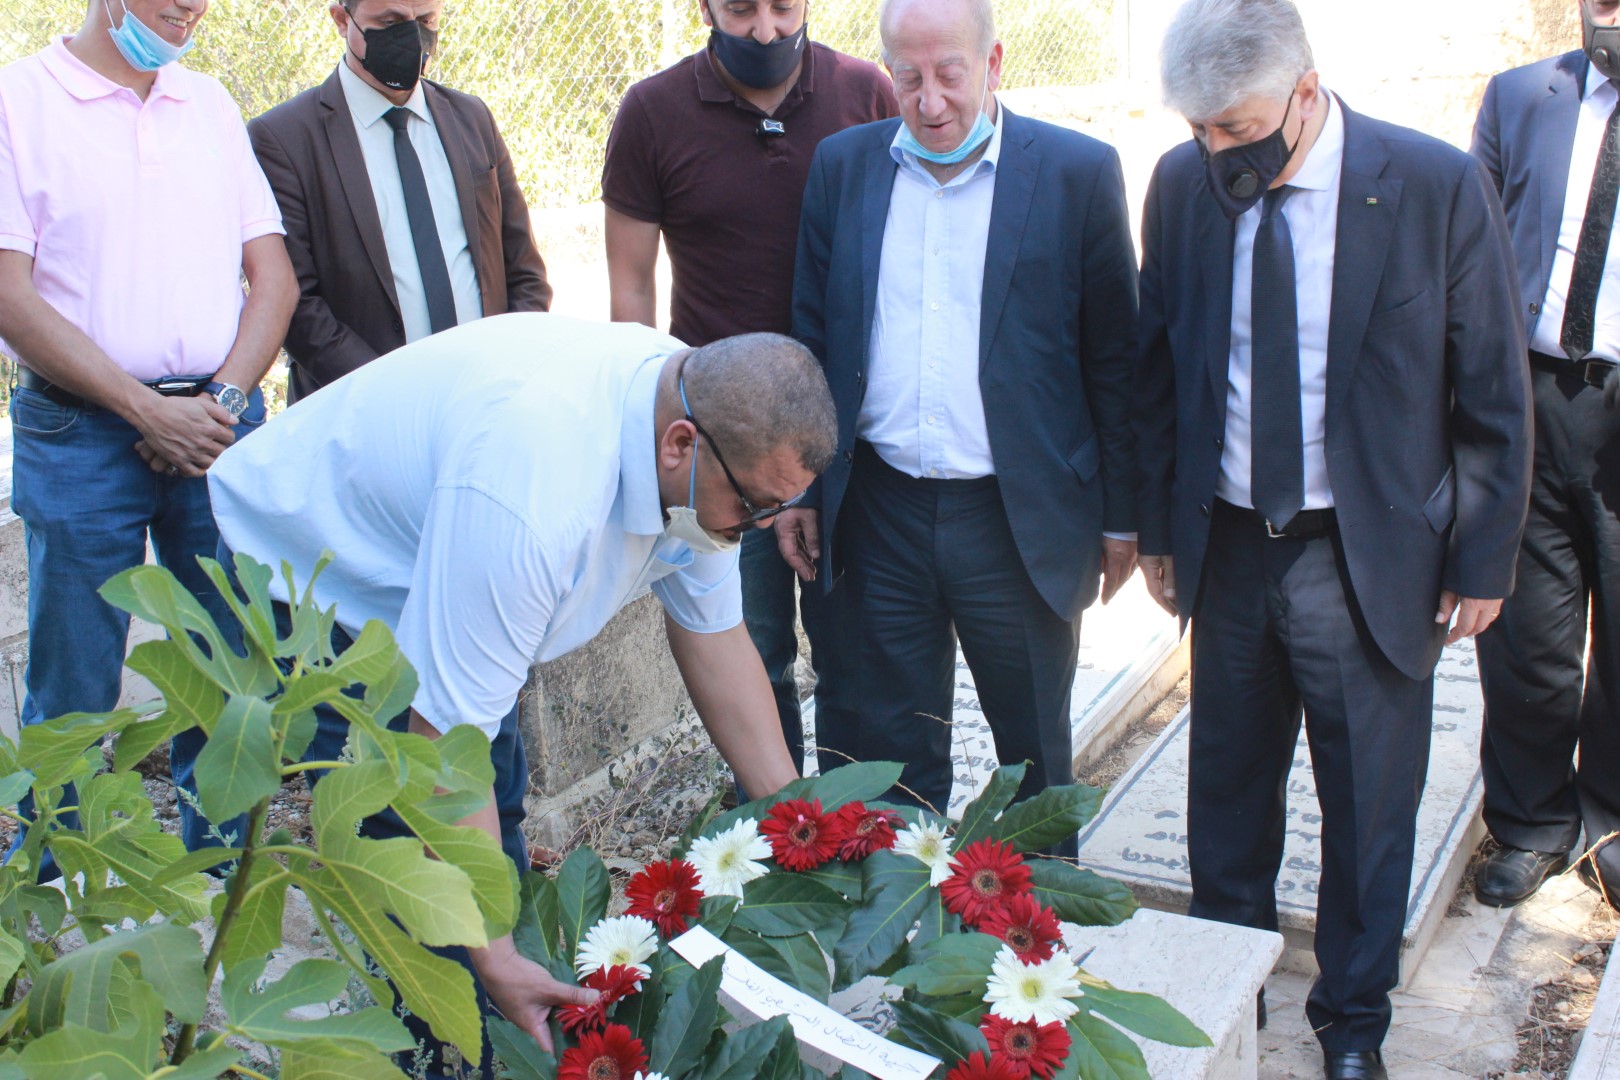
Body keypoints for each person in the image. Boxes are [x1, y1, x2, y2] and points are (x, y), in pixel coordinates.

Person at [208, 312, 834, 1074]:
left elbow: (715, 639)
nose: (760, 526)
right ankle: (433, 1048)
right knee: (416, 881)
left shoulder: (700, 425)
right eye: (754, 507)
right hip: (315, 579)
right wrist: (492, 954)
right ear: (680, 445)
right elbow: (443, 746)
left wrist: (798, 821)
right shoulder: (535, 490)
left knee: (493, 829)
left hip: (445, 572)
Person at [1134, 1, 1532, 1076]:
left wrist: (1482, 557)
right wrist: (1162, 527)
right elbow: (1160, 366)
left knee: (1367, 812)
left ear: (1305, 91)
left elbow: (1493, 387)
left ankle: (1352, 1029)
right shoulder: (1181, 186)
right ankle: (1227, 1008)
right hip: (1230, 545)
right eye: (1199, 129)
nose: (1217, 150)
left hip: (1366, 559)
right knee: (1225, 802)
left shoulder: (1433, 186)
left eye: (1236, 126)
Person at [781, 0, 1139, 854]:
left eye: (950, 74)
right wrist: (801, 483)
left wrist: (1123, 516)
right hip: (881, 508)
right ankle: (900, 924)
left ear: (993, 62)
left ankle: (1037, 926)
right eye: (908, 78)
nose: (930, 101)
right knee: (887, 758)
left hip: (1016, 515)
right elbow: (813, 335)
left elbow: (1115, 359)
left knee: (1034, 757)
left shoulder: (1076, 173)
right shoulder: (845, 167)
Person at [0, 0, 297, 868]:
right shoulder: (22, 100)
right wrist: (144, 409)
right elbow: (9, 294)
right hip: (81, 430)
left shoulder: (207, 103)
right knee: (74, 682)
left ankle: (221, 882)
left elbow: (274, 279)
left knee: (230, 667)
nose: (190, 5)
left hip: (216, 424)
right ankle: (55, 888)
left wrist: (221, 402)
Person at [602, 0, 896, 773]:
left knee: (856, 658)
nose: (765, 30)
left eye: (782, 7)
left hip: (842, 441)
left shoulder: (866, 93)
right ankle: (774, 830)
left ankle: (853, 826)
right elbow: (630, 291)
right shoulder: (651, 113)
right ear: (704, 6)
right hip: (721, 448)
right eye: (740, 9)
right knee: (750, 654)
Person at [1468, 0, 1620, 912]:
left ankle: (1611, 824)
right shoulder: (1522, 98)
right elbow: (1473, 250)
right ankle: (1530, 823)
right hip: (1536, 393)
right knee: (1527, 633)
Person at [248, 0, 550, 404]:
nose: (412, 37)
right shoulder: (284, 138)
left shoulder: (472, 119)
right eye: (390, 22)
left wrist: (510, 369)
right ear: (341, 19)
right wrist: (394, 397)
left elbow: (524, 270)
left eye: (426, 21)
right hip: (361, 410)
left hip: (485, 400)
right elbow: (298, 305)